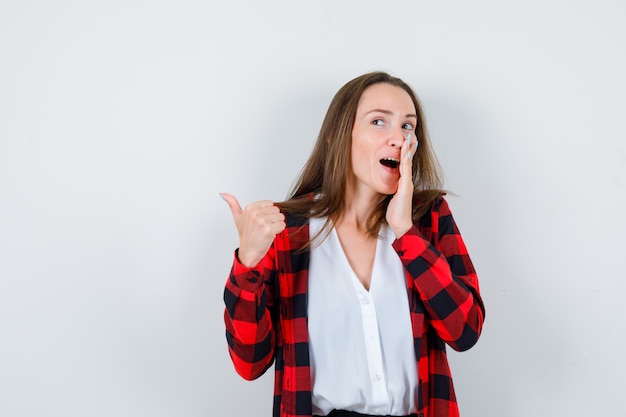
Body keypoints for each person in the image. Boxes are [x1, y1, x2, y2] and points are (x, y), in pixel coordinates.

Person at [221, 71, 485, 417]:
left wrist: (406, 232)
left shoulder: (429, 217)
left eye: (408, 126)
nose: (398, 139)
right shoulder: (286, 230)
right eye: (379, 122)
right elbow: (250, 363)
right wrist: (248, 267)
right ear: (336, 137)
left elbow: (465, 331)